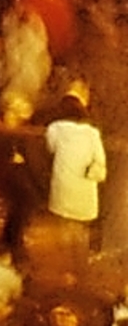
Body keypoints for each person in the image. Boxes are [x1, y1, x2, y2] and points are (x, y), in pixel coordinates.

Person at [45, 94, 107, 250]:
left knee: (64, 226)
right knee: (81, 229)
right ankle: (80, 261)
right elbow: (99, 158)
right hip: (85, 186)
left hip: (63, 182)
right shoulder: (92, 133)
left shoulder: (55, 128)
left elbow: (50, 148)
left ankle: (64, 264)